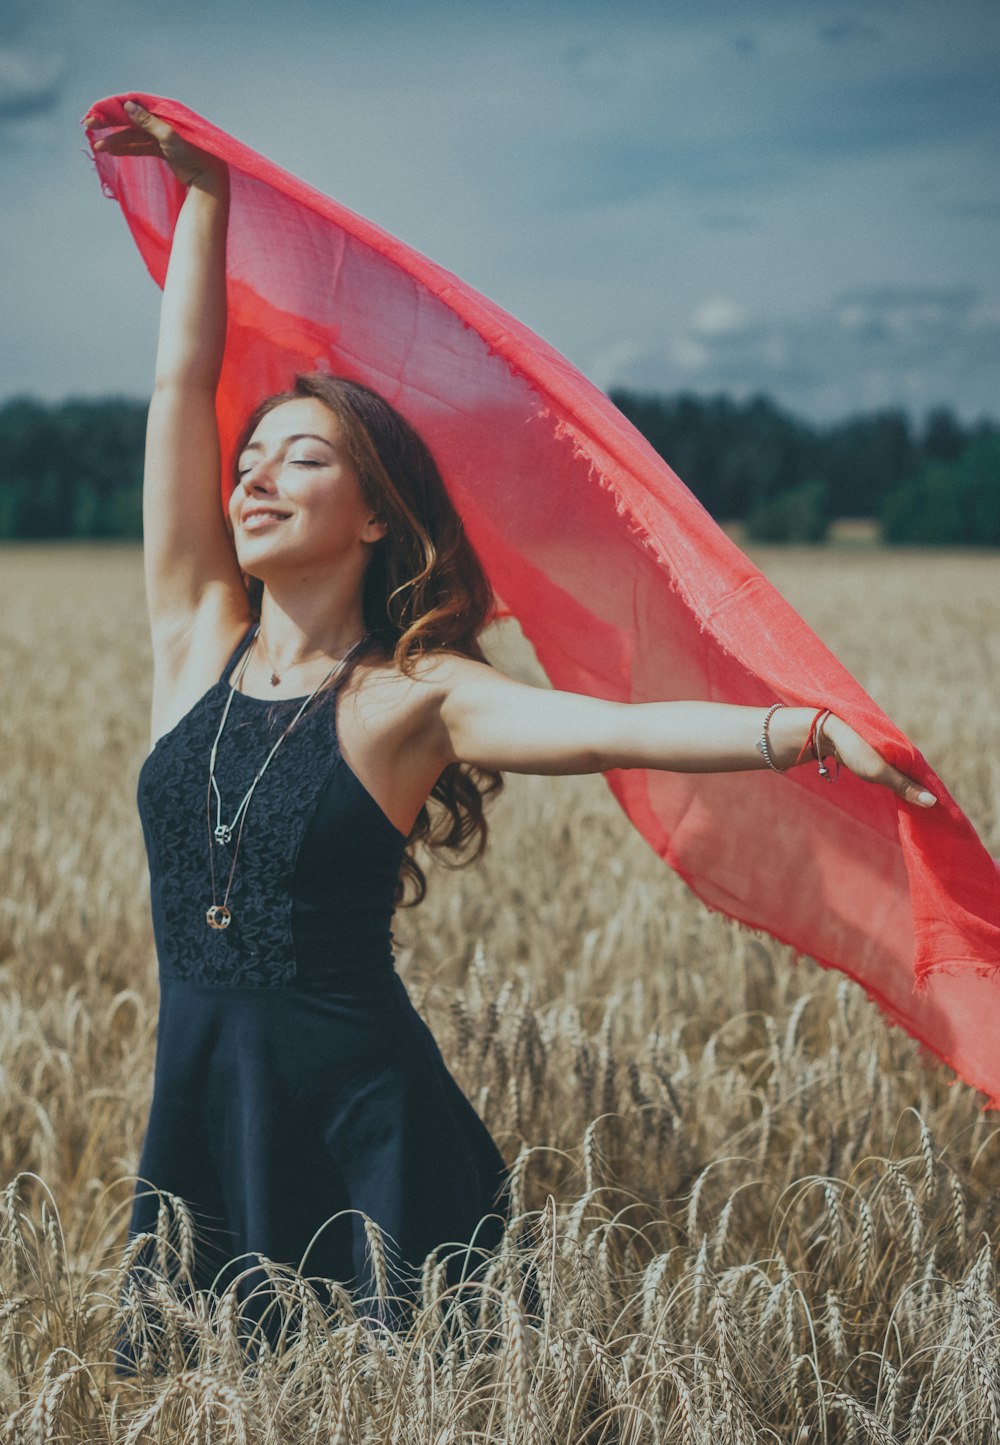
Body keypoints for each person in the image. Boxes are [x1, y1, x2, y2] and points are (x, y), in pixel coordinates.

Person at [90, 103, 936, 1375]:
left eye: (299, 458)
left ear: (375, 515)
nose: (252, 476)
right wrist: (205, 195)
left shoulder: (412, 695)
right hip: (205, 1131)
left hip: (373, 1144)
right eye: (248, 459)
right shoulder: (194, 640)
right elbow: (178, 386)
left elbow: (614, 729)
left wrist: (803, 728)